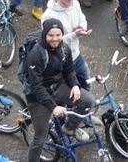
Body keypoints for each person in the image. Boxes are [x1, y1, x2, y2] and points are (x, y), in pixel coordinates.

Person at [23, 19, 97, 161]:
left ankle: (69, 127)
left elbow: (69, 70)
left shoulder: (64, 48)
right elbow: (36, 86)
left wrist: (75, 85)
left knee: (89, 101)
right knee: (40, 138)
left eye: (58, 35)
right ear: (45, 35)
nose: (55, 39)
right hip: (39, 97)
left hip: (58, 87)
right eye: (51, 35)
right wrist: (53, 107)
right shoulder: (36, 54)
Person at [40, 0, 94, 88]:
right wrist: (75, 35)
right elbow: (51, 42)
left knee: (87, 86)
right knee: (68, 94)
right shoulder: (49, 16)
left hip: (76, 55)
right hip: (61, 62)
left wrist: (82, 27)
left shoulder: (75, 3)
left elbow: (82, 18)